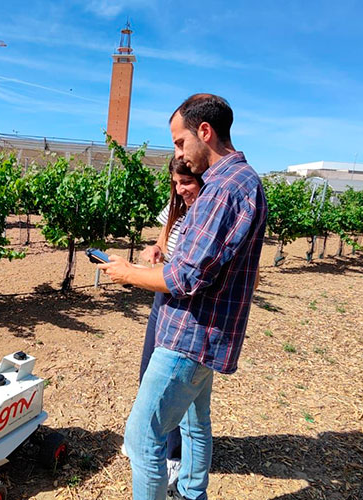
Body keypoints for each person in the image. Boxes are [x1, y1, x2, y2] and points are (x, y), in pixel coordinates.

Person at [98, 93, 268, 500]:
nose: (179, 153)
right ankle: (192, 493)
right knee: (194, 422)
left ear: (204, 132)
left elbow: (184, 276)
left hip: (189, 337)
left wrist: (128, 272)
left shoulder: (223, 189)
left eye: (179, 142)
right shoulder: (241, 182)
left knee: (142, 438)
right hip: (208, 334)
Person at [136, 157, 203, 484]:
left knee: (172, 385)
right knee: (149, 372)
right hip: (164, 298)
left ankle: (173, 455)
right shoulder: (176, 209)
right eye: (176, 184)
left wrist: (131, 273)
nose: (180, 190)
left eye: (186, 183)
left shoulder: (209, 216)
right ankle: (155, 442)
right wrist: (155, 251)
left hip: (188, 309)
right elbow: (163, 244)